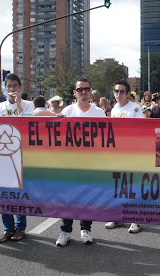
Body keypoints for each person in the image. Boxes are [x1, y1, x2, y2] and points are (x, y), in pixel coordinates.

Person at [55, 78, 105, 247]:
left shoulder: (99, 113)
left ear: (90, 92)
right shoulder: (67, 111)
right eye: (80, 89)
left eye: (87, 89)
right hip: (70, 164)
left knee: (88, 198)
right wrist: (58, 122)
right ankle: (66, 230)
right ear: (75, 92)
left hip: (91, 163)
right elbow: (57, 137)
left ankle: (86, 229)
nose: (84, 92)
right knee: (68, 198)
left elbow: (105, 138)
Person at [0, 73, 34, 243]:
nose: (12, 89)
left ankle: (20, 228)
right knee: (2, 193)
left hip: (22, 154)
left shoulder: (29, 105)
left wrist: (19, 105)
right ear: (5, 89)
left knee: (19, 192)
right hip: (2, 155)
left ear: (20, 87)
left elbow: (28, 124)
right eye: (9, 86)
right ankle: (8, 228)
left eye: (15, 86)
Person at [105, 80, 143, 233]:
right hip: (117, 153)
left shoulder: (135, 108)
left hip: (132, 152)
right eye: (116, 91)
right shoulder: (114, 109)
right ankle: (118, 217)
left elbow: (141, 130)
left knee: (133, 186)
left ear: (128, 94)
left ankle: (136, 219)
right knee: (118, 186)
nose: (118, 94)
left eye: (122, 91)